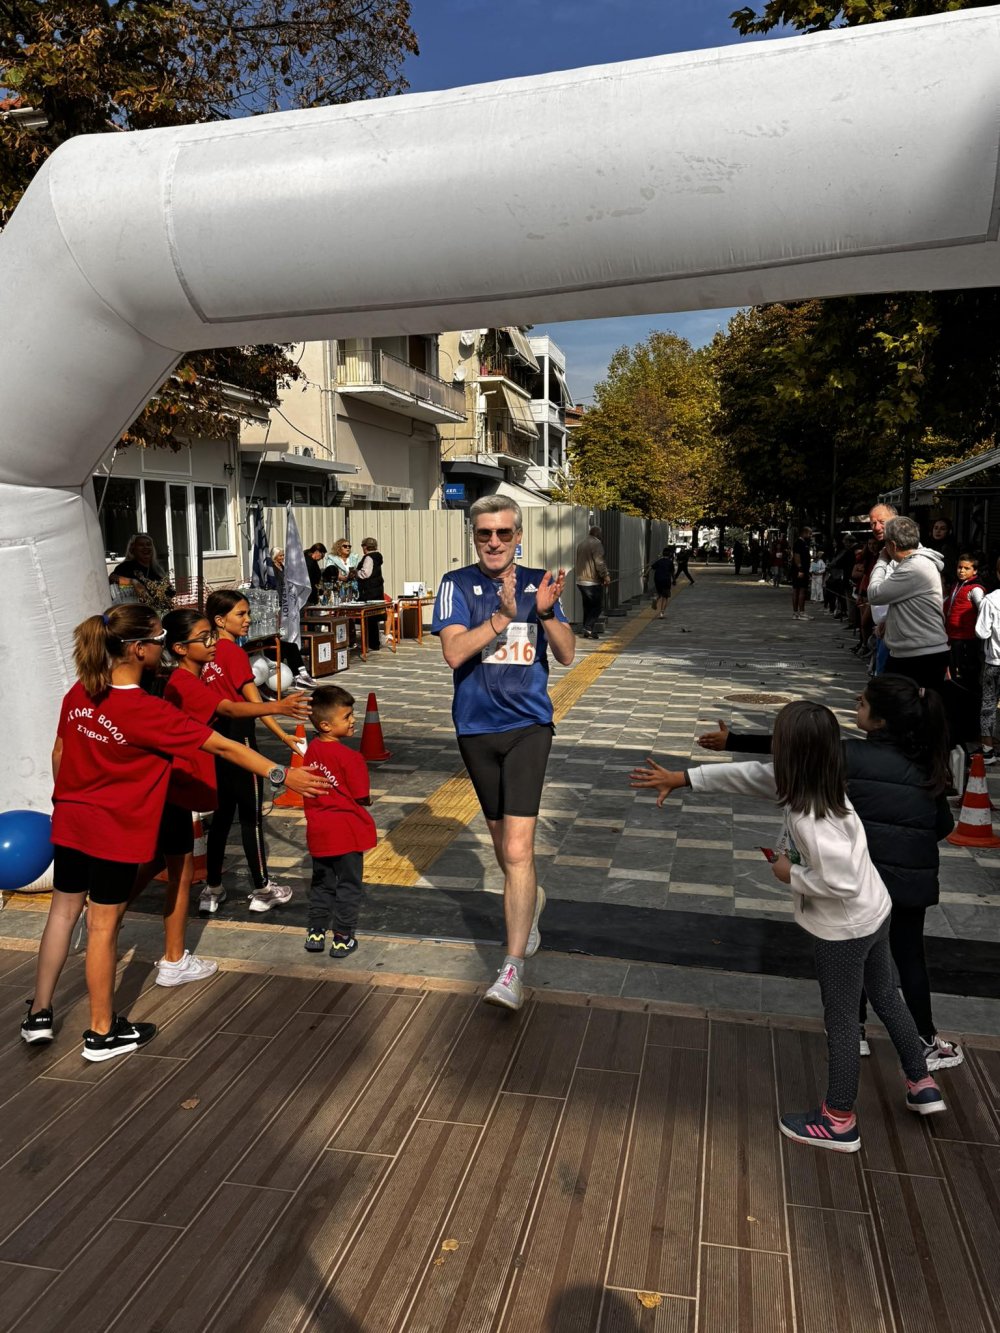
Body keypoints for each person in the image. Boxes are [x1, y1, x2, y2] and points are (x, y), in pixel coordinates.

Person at [631, 701, 945, 1153]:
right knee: (886, 996)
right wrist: (684, 779)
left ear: (790, 754)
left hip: (844, 929)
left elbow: (839, 880)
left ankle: (839, 1120)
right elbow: (748, 776)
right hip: (877, 912)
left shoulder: (808, 815)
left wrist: (788, 873)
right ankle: (921, 1081)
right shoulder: (825, 782)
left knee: (840, 1022)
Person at [19, 603, 327, 1061]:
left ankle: (39, 1014)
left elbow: (61, 753)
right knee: (102, 926)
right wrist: (283, 775)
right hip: (112, 830)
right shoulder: (145, 710)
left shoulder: (81, 692)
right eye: (160, 641)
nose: (164, 649)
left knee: (63, 913)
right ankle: (102, 1033)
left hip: (71, 819)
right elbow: (222, 744)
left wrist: (67, 800)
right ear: (138, 649)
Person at [697, 675, 963, 1071]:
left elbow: (801, 747)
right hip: (911, 880)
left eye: (862, 703)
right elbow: (943, 825)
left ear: (881, 721)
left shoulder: (847, 756)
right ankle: (925, 1041)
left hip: (862, 877)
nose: (856, 704)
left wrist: (735, 740)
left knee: (852, 950)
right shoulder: (928, 765)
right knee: (909, 958)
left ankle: (853, 1032)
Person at [432, 496, 575, 1012]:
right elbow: (453, 651)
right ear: (473, 536)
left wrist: (543, 614)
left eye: (504, 533)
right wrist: (501, 617)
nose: (494, 542)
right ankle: (529, 904)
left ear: (519, 537)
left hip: (528, 729)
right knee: (504, 850)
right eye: (484, 534)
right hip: (475, 730)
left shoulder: (540, 581)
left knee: (516, 851)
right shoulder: (455, 584)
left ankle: (511, 969)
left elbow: (566, 652)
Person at [200, 590, 311, 915]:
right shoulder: (232, 654)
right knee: (251, 819)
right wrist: (285, 736)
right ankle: (262, 888)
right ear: (220, 620)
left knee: (220, 819)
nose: (247, 620)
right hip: (242, 743)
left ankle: (212, 888)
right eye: (241, 614)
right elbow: (256, 705)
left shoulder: (201, 656)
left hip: (212, 743)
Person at [301, 685, 376, 957]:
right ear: (326, 724)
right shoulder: (351, 757)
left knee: (321, 883)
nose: (353, 720)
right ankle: (343, 937)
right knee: (348, 885)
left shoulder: (312, 752)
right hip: (346, 832)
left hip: (319, 831)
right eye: (347, 716)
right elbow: (361, 795)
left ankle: (315, 932)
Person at [867, 516, 949, 691]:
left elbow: (874, 594)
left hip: (920, 654)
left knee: (907, 709)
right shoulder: (916, 564)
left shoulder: (914, 567)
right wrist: (888, 619)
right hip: (912, 651)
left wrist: (881, 561)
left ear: (893, 546)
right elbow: (910, 603)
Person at [268, 550, 318, 687]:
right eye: (280, 555)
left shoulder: (283, 567)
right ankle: (298, 674)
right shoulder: (271, 569)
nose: (283, 557)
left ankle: (301, 674)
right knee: (287, 646)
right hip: (278, 603)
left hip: (284, 605)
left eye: (284, 555)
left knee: (291, 646)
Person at [944, 553, 985, 691]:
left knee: (966, 673)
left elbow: (983, 611)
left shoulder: (976, 589)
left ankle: (968, 699)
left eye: (966, 568)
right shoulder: (957, 584)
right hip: (953, 636)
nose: (961, 571)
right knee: (954, 672)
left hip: (966, 639)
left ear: (975, 571)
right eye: (959, 567)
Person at [975, 560, 1000, 765]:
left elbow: (981, 631)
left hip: (994, 662)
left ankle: (989, 750)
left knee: (988, 705)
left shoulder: (990, 600)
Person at [109, 532, 175, 609]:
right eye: (141, 545)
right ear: (133, 549)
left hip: (158, 613)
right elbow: (111, 578)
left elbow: (170, 592)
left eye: (148, 544)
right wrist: (133, 582)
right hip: (136, 613)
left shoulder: (157, 569)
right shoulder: (126, 567)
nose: (145, 547)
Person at [574, 525, 610, 639]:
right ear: (598, 534)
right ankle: (588, 628)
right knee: (597, 606)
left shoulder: (581, 543)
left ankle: (586, 629)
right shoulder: (596, 544)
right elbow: (599, 562)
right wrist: (605, 576)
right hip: (591, 581)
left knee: (588, 606)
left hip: (580, 580)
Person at [355, 536, 385, 651]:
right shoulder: (377, 557)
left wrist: (356, 573)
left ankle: (369, 644)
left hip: (369, 592)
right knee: (373, 620)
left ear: (365, 547)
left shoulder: (369, 558)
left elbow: (365, 573)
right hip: (377, 591)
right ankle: (373, 643)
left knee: (368, 619)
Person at [791, 525, 812, 620]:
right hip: (800, 570)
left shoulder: (803, 543)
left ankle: (796, 613)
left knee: (797, 590)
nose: (810, 535)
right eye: (809, 533)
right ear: (804, 533)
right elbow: (797, 556)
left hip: (802, 570)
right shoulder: (799, 543)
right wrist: (800, 569)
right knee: (801, 590)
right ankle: (800, 612)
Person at [649, 547, 675, 618]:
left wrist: (645, 574)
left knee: (659, 593)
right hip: (666, 580)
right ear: (670, 554)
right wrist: (674, 580)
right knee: (665, 597)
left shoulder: (659, 561)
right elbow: (672, 572)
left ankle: (656, 598)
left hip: (657, 579)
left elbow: (651, 567)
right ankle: (661, 613)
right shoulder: (670, 562)